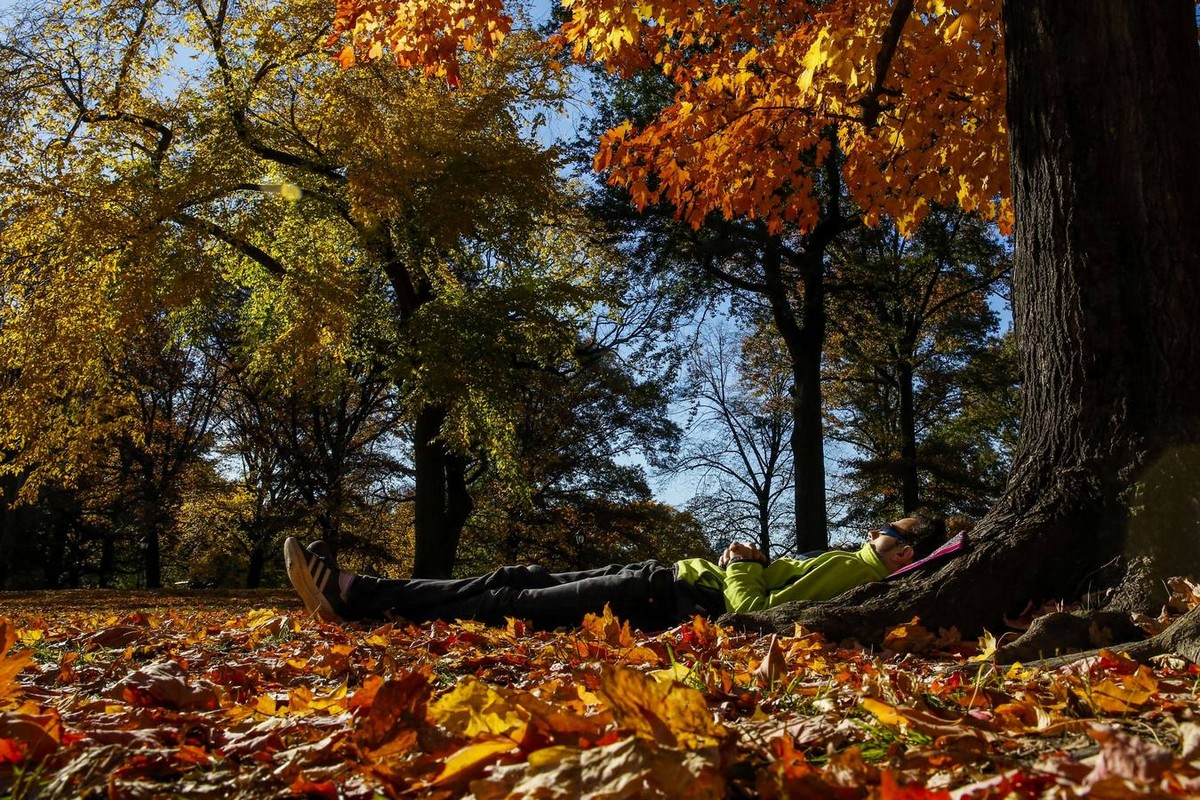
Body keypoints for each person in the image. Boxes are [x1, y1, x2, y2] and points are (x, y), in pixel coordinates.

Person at [283, 513, 945, 630]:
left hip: (666, 595)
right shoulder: (846, 559)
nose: (899, 551)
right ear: (877, 531)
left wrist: (738, 563)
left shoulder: (853, 570)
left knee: (510, 598)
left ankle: (357, 599)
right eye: (898, 537)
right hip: (662, 575)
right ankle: (352, 588)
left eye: (911, 551)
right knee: (512, 575)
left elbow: (750, 612)